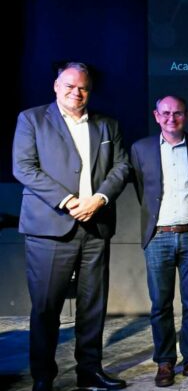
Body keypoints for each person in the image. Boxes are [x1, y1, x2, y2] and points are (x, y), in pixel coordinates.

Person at [13, 62, 130, 391]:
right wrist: (67, 201)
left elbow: (122, 166)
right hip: (50, 228)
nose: (76, 93)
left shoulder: (107, 124)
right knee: (46, 308)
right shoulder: (32, 119)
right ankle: (43, 376)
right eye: (69, 86)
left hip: (96, 225)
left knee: (93, 306)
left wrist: (100, 199)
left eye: (83, 88)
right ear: (56, 86)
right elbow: (23, 167)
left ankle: (89, 371)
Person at [130, 95, 188, 387]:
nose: (171, 118)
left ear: (186, 116)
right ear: (156, 116)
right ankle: (165, 361)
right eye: (165, 113)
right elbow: (142, 189)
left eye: (177, 113)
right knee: (160, 304)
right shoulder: (141, 148)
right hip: (159, 236)